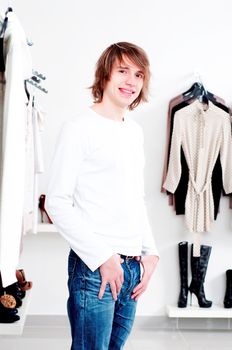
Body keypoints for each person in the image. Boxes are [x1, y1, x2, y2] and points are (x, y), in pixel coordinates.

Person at [46, 41, 159, 350]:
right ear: (105, 74)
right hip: (95, 267)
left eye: (138, 75)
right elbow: (56, 202)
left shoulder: (134, 132)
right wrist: (102, 257)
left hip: (132, 266)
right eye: (123, 71)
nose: (131, 82)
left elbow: (135, 198)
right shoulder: (78, 128)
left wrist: (150, 253)